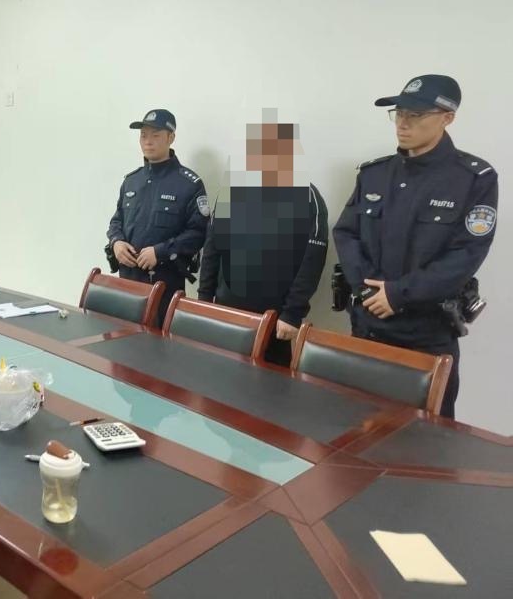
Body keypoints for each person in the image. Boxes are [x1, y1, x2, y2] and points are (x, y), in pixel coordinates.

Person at [332, 74, 498, 418]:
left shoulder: (473, 179)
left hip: (426, 333)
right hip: (368, 326)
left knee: (427, 435)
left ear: (448, 118)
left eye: (416, 115)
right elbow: (346, 233)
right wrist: (368, 289)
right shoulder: (374, 174)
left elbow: (466, 254)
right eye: (399, 113)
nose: (402, 124)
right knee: (358, 426)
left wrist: (397, 294)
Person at [198, 112, 328, 364]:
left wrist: (292, 314)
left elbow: (311, 261)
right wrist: (204, 300)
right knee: (220, 376)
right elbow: (212, 249)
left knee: (269, 385)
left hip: (275, 319)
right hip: (226, 310)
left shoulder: (307, 196)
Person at [107, 108, 209, 325]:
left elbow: (198, 233)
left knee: (160, 344)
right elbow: (117, 220)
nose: (148, 141)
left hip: (165, 285)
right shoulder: (131, 181)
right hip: (128, 282)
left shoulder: (189, 184)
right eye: (143, 135)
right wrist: (116, 242)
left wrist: (160, 252)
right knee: (123, 340)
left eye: (155, 135)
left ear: (171, 138)